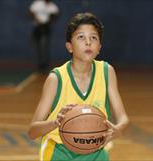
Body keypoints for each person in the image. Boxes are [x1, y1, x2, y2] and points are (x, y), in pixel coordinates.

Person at [28, 12, 129, 161]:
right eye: (81, 37)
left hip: (95, 149)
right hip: (58, 151)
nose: (88, 42)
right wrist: (55, 123)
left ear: (99, 47)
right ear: (69, 46)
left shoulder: (107, 72)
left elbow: (123, 118)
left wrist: (118, 130)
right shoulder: (56, 79)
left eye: (93, 38)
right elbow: (32, 131)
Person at [29, 0, 59, 72]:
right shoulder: (38, 3)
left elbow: (56, 13)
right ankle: (39, 65)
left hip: (45, 28)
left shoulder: (52, 6)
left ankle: (44, 66)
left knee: (44, 47)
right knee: (37, 47)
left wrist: (50, 20)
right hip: (37, 28)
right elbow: (30, 11)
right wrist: (37, 19)